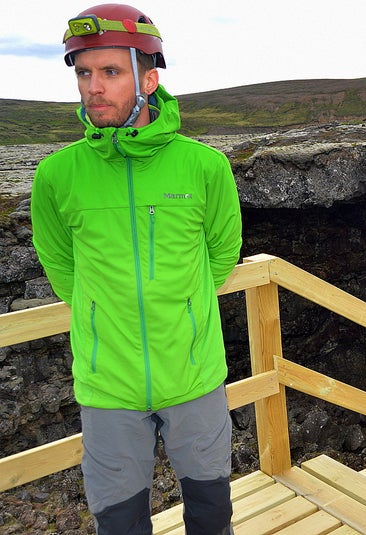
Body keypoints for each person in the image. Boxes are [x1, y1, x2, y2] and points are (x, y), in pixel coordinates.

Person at [30, 4, 242, 534]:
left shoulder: (203, 166)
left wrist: (186, 308)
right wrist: (102, 311)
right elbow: (60, 263)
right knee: (119, 522)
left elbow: (222, 252)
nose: (93, 87)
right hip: (108, 386)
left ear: (149, 77)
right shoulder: (57, 175)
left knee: (211, 515)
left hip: (193, 376)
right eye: (83, 72)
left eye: (110, 72)